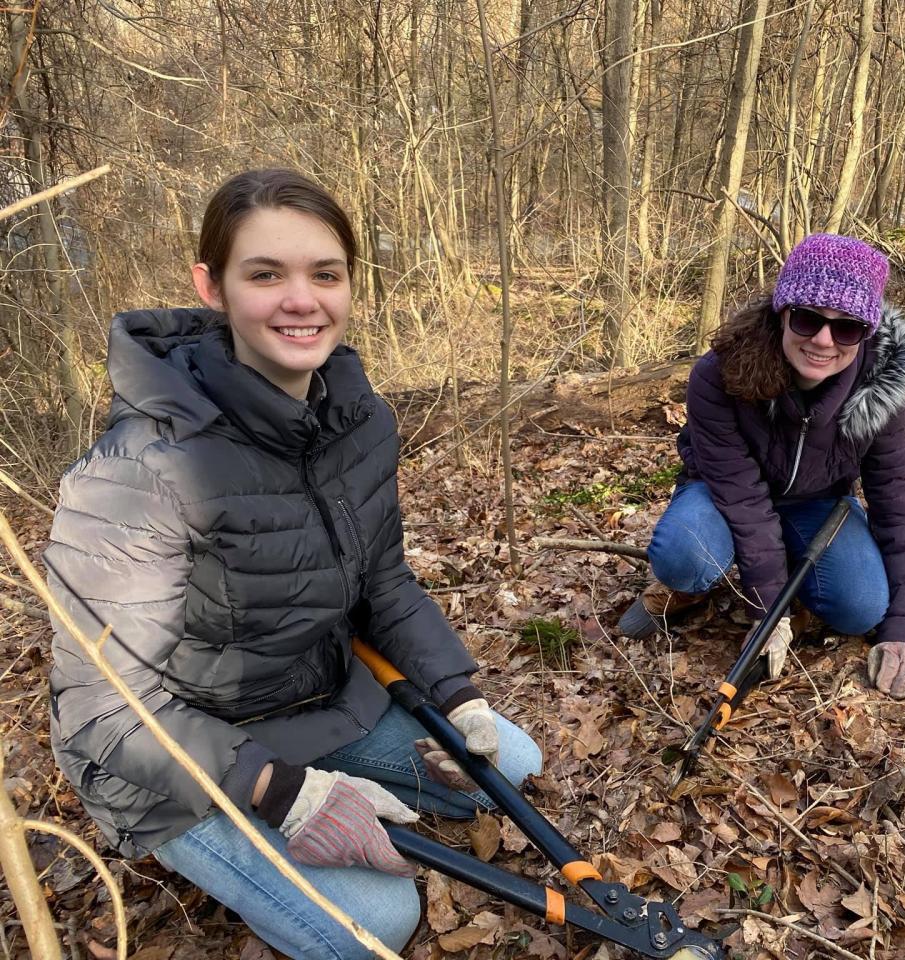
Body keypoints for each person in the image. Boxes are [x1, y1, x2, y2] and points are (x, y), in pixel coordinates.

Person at [45, 169, 542, 959]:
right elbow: (104, 709)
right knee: (375, 925)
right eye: (266, 274)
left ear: (351, 285)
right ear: (211, 286)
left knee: (510, 764)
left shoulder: (359, 420)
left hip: (309, 700)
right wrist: (284, 792)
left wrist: (458, 693)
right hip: (172, 758)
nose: (301, 300)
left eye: (325, 274)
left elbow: (383, 581)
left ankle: (320, 802)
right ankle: (225, 847)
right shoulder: (142, 468)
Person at [618, 233, 905, 698]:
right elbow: (743, 499)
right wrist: (769, 611)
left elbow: (904, 507)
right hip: (723, 496)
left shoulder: (884, 389)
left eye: (847, 328)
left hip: (818, 503)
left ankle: (799, 582)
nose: (824, 340)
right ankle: (687, 589)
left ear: (867, 332)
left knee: (861, 609)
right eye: (808, 319)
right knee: (684, 557)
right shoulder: (719, 373)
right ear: (782, 312)